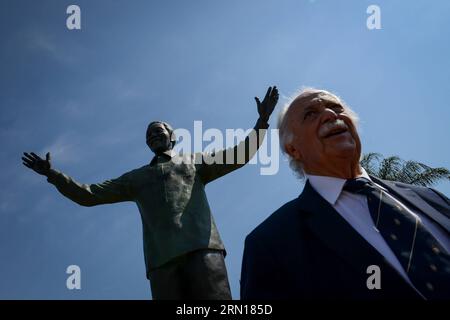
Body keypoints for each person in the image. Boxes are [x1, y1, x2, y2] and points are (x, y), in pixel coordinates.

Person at [22, 86, 279, 300]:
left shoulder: (194, 162)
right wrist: (53, 174)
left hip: (203, 249)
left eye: (158, 131)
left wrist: (262, 122)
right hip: (161, 261)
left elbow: (240, 155)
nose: (154, 135)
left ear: (172, 137)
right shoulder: (136, 179)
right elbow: (89, 195)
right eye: (149, 135)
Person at [240, 88, 450, 300]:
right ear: (293, 149)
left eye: (335, 107)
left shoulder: (429, 197)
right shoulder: (270, 243)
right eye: (310, 114)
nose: (330, 115)